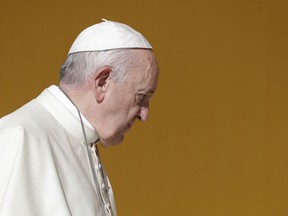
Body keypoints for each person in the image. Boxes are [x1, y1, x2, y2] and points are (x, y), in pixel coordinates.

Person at [0, 19, 159, 216]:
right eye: (141, 97)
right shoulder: (20, 137)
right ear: (102, 82)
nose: (144, 114)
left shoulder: (85, 142)